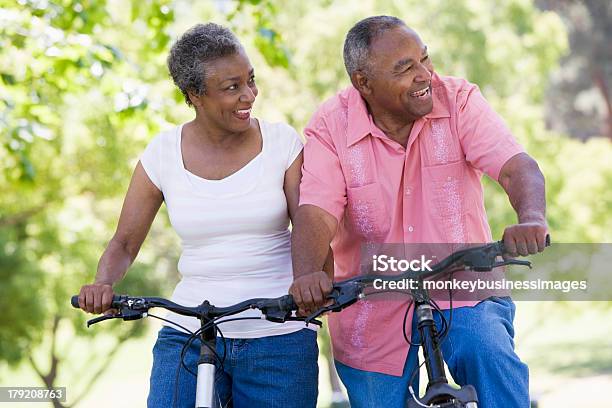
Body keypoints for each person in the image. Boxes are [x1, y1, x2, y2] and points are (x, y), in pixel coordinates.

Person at [289, 15, 548, 408]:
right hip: (370, 299)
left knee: (487, 351)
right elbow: (317, 210)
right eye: (405, 68)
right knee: (377, 399)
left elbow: (515, 166)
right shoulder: (330, 125)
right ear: (364, 82)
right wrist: (308, 273)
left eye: (425, 59)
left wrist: (531, 218)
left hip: (463, 287)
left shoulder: (457, 99)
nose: (425, 74)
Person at [77, 23, 318, 408]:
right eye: (232, 87)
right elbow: (124, 242)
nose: (249, 95)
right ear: (195, 95)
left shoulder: (282, 143)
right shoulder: (162, 153)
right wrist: (102, 283)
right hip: (189, 331)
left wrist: (311, 280)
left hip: (278, 333)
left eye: (250, 81)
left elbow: (309, 224)